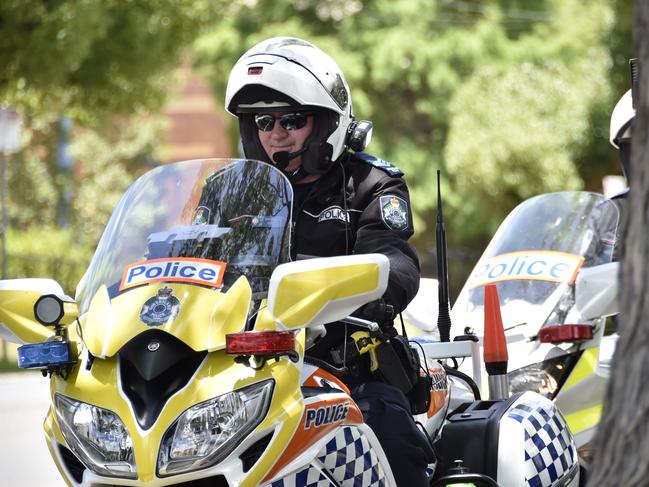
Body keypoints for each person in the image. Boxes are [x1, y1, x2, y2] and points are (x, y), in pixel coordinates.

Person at [225, 37, 433, 485]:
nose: (276, 134)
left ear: (325, 124)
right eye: (264, 121)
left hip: (345, 369)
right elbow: (189, 260)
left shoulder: (371, 184)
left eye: (292, 120)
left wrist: (361, 288)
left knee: (392, 444)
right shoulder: (230, 193)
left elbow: (394, 260)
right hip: (240, 372)